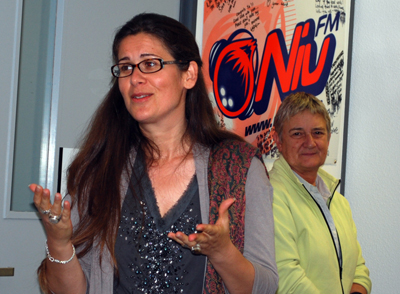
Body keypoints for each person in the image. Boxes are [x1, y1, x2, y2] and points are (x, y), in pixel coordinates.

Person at [29, 13, 278, 294]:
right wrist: (59, 242)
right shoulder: (100, 169)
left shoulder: (239, 167)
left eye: (150, 64)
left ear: (189, 74)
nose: (135, 78)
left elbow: (265, 288)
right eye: (125, 67)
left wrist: (222, 252)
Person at [270, 92, 372, 294]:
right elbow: (287, 279)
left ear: (328, 138)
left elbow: (358, 269)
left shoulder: (338, 200)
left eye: (317, 133)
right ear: (278, 140)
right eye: (297, 133)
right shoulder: (271, 195)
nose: (310, 142)